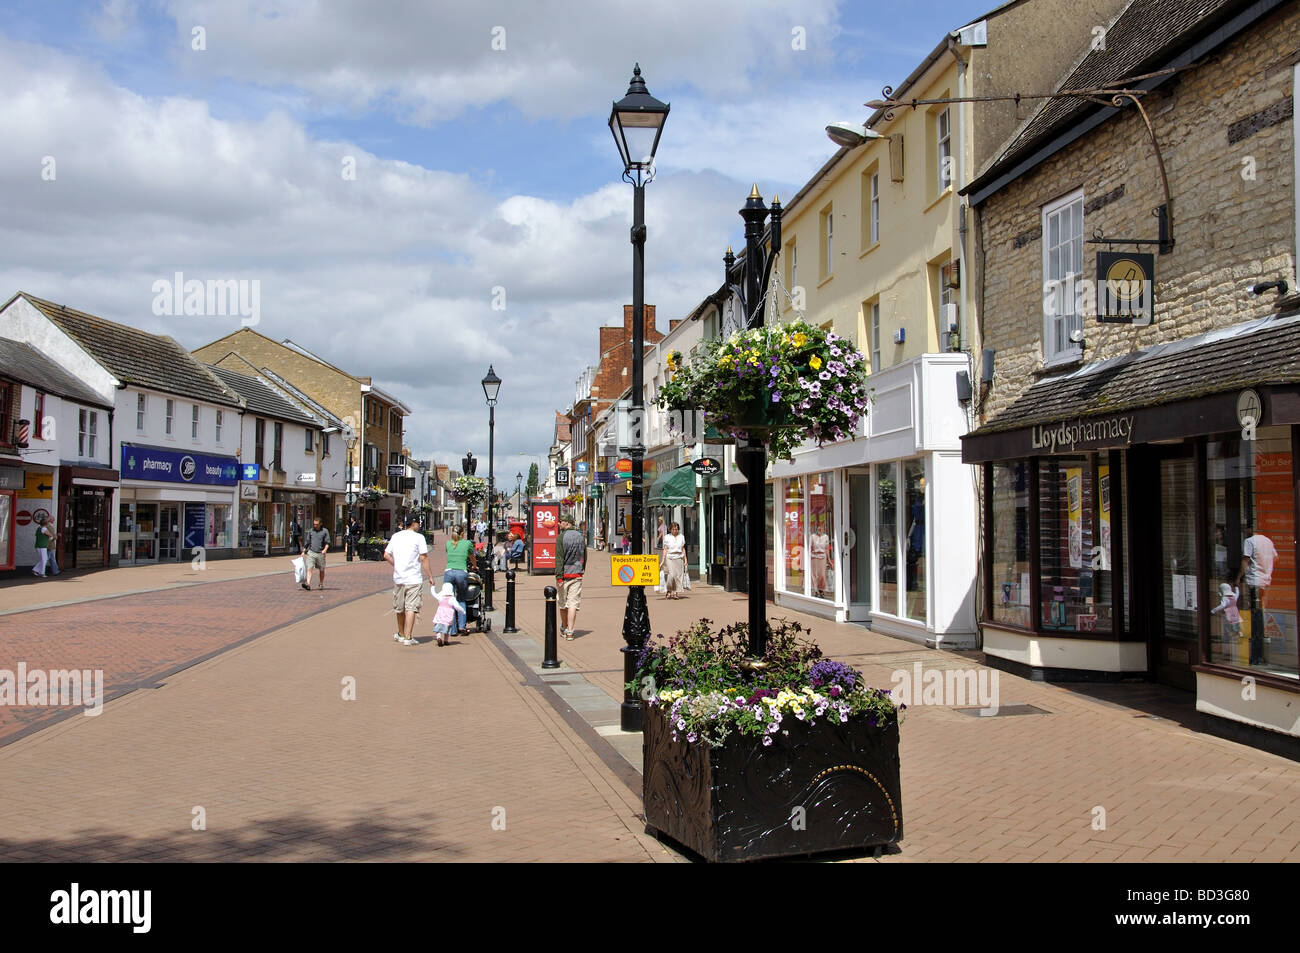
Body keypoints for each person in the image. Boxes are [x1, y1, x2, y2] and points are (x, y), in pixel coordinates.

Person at [383, 514, 433, 646]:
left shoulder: (396, 536)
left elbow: (386, 554)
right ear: (414, 523)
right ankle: (408, 637)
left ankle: (400, 633)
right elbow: (423, 558)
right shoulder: (419, 537)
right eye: (419, 523)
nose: (419, 525)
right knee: (411, 607)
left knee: (399, 607)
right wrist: (430, 576)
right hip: (413, 578)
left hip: (399, 577)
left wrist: (396, 564)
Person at [1237, 522, 1277, 665]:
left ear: (1250, 529)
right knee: (1260, 615)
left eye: (1246, 529)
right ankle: (1259, 654)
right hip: (1266, 582)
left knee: (1253, 618)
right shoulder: (1268, 541)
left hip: (1253, 583)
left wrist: (1238, 577)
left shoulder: (1250, 541)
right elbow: (1275, 558)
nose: (1245, 531)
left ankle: (1254, 655)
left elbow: (1245, 560)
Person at [556, 514, 585, 639]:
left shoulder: (561, 537)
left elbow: (559, 558)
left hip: (565, 574)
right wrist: (582, 570)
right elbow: (585, 555)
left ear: (567, 523)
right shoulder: (580, 536)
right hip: (577, 573)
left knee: (563, 604)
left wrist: (559, 576)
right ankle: (570, 631)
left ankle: (564, 626)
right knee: (573, 604)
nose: (559, 524)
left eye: (561, 521)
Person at [444, 526, 475, 635]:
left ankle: (452, 629)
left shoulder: (448, 543)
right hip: (461, 572)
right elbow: (472, 556)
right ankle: (462, 626)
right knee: (461, 599)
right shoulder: (467, 543)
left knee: (450, 600)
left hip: (448, 572)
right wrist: (475, 566)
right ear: (462, 534)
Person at [431, 582, 464, 647]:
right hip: (448, 617)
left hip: (440, 616)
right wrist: (462, 611)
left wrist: (432, 587)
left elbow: (434, 594)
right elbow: (457, 606)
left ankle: (439, 637)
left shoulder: (440, 597)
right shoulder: (452, 599)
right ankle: (446, 640)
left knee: (438, 628)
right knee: (447, 629)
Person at [303, 516, 331, 590]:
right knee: (309, 568)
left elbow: (327, 542)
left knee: (321, 569)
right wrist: (304, 550)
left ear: (321, 524)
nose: (315, 525)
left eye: (316, 524)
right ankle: (308, 584)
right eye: (314, 524)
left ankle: (321, 583)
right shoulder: (311, 531)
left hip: (320, 553)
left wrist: (325, 550)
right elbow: (308, 541)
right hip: (311, 552)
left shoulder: (325, 531)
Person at [662, 521, 687, 600]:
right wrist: (662, 561)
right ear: (670, 529)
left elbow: (683, 548)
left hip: (679, 557)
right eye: (673, 529)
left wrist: (685, 560)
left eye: (676, 529)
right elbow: (665, 549)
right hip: (670, 557)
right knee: (672, 575)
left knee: (679, 576)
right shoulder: (667, 537)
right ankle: (669, 590)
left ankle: (676, 593)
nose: (675, 531)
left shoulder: (681, 536)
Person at [809, 523, 831, 597]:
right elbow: (809, 547)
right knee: (814, 574)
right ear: (816, 529)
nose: (820, 530)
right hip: (814, 556)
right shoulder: (812, 536)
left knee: (822, 574)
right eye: (819, 528)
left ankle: (821, 589)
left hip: (822, 557)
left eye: (822, 529)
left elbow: (827, 549)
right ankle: (815, 590)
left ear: (824, 529)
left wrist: (829, 560)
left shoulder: (826, 537)